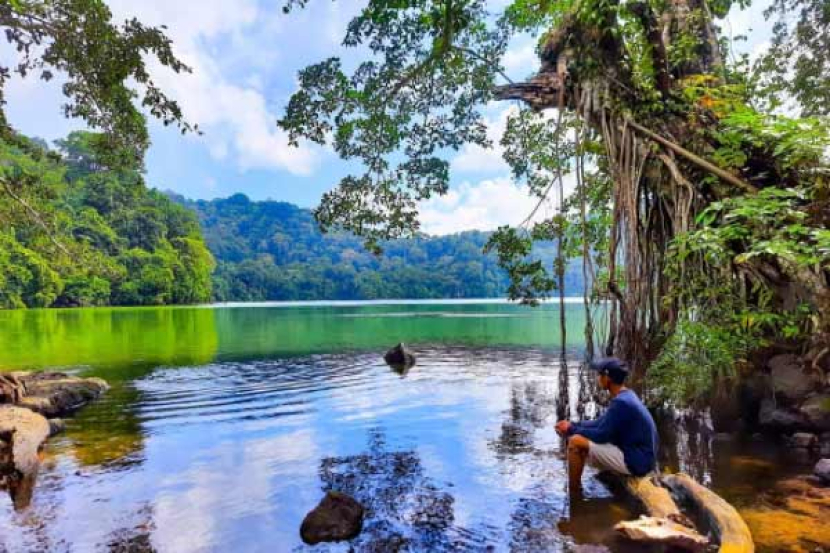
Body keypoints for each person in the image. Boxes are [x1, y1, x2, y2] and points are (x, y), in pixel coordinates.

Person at [555, 357, 658, 492]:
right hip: (642, 457)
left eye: (600, 375)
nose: (598, 378)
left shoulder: (621, 402)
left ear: (607, 378)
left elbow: (602, 435)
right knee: (578, 437)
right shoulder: (626, 396)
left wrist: (571, 430)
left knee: (575, 442)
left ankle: (574, 493)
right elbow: (600, 423)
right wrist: (573, 425)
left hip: (638, 463)